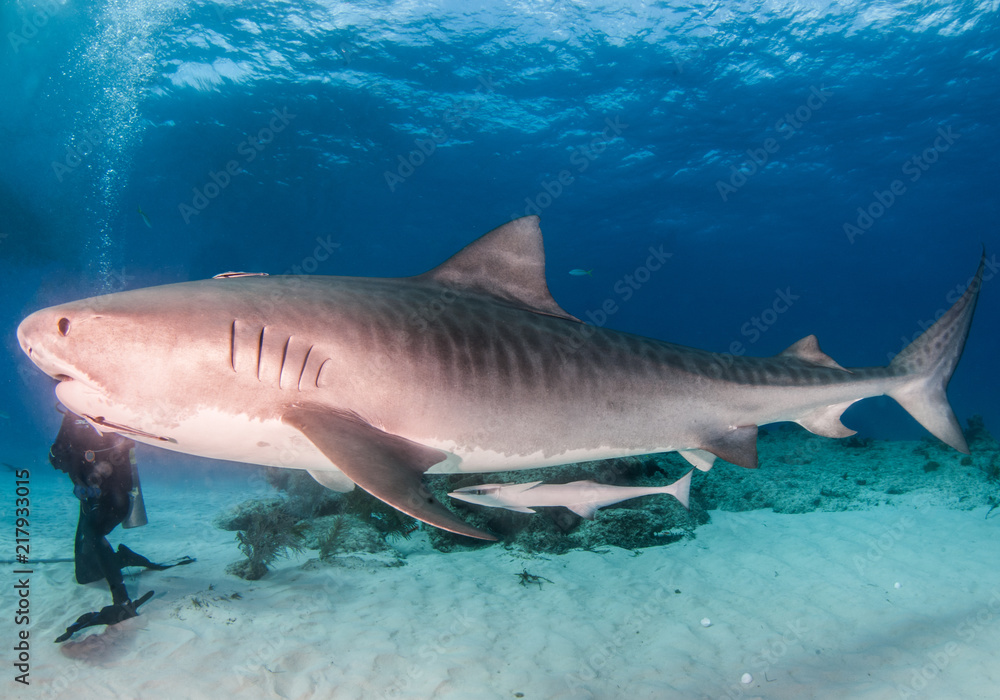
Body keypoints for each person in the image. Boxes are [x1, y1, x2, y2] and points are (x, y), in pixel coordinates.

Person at [48, 408, 192, 643]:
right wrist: (77, 477)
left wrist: (97, 478)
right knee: (85, 575)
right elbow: (58, 458)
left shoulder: (112, 417)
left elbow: (121, 455)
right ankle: (123, 558)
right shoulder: (73, 417)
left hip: (116, 498)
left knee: (92, 533)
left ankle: (122, 601)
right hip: (89, 501)